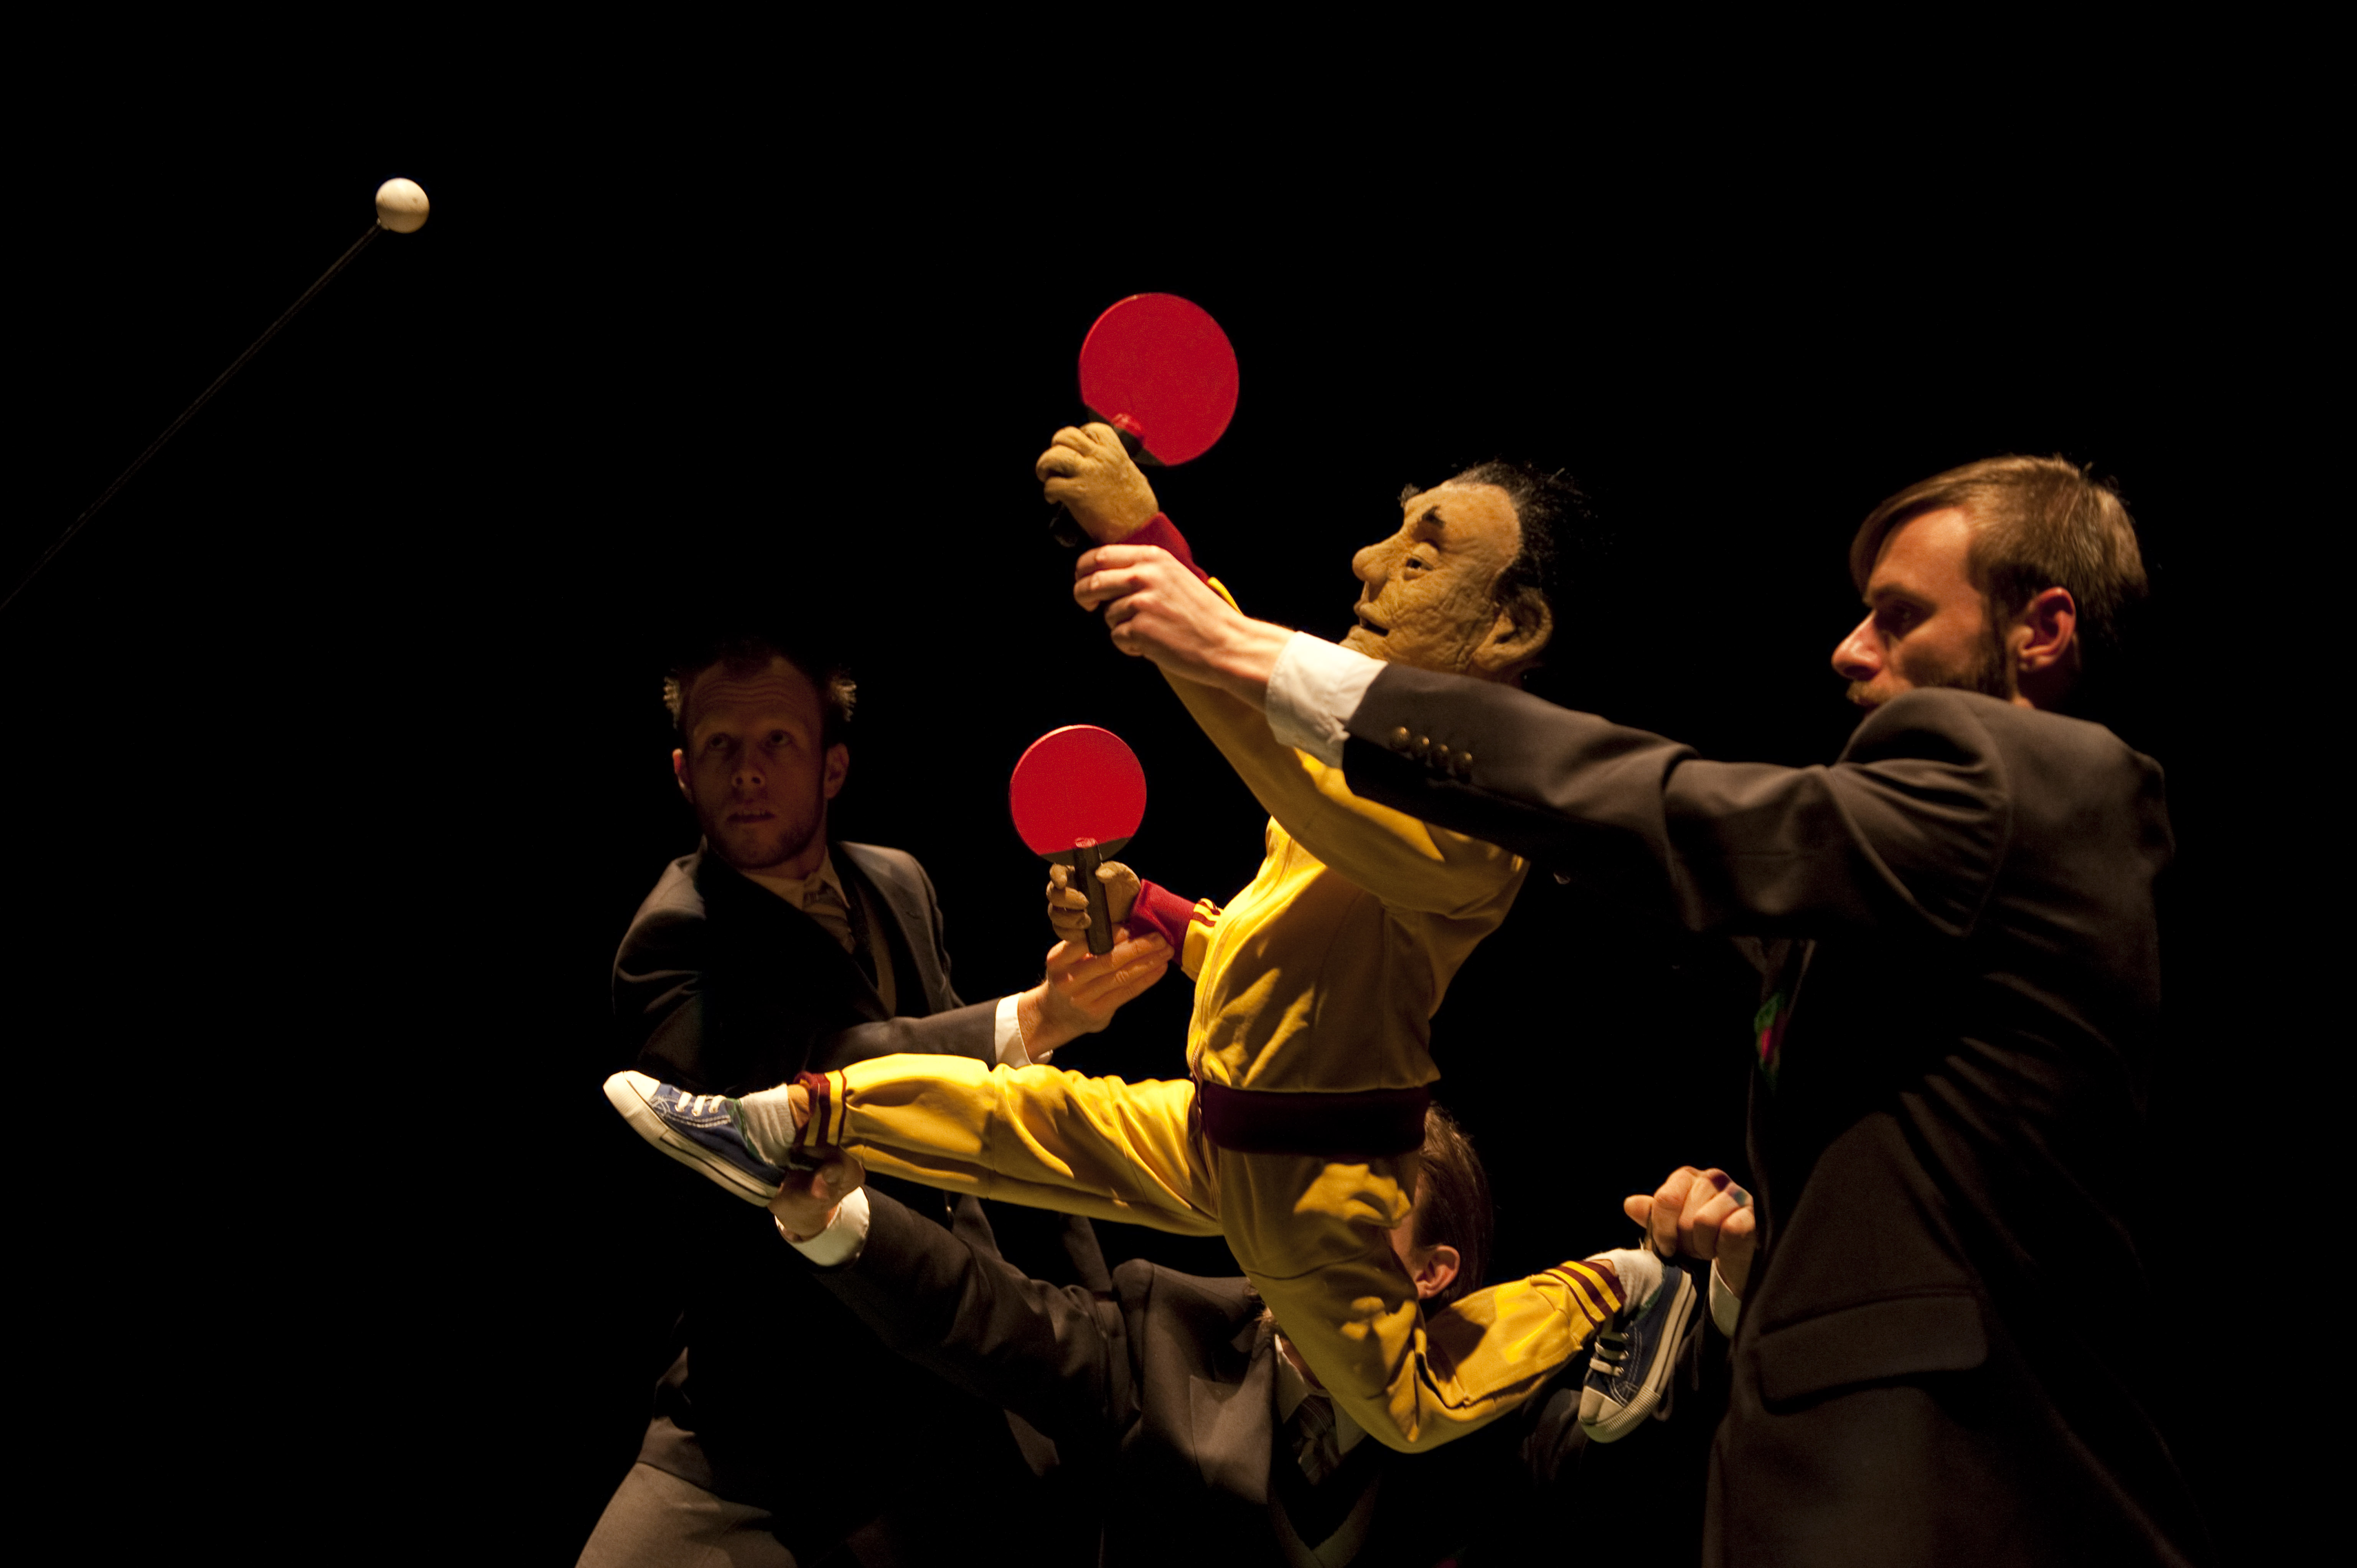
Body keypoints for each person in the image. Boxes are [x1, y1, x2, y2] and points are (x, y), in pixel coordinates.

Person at [1075, 455, 2209, 1565]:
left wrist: (1245, 649)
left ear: (2042, 630)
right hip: (1852, 1465)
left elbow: (1676, 816)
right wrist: (1750, 1263)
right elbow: (1673, 865)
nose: (1850, 649)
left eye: (1901, 616)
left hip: (1954, 1490)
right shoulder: (1922, 904)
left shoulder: (2039, 783)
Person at [610, 427, 1693, 1460]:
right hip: (1221, 1123)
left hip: (1315, 1176)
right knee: (1010, 1118)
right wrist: (1159, 915)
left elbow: (1281, 737)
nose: (1369, 561)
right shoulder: (1370, 771)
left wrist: (1150, 548)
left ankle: (1622, 1285)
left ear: (1510, 629)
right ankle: (781, 1120)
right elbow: (1279, 947)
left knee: (1410, 1405)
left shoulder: (1478, 818)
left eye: (1424, 552)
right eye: (1394, 531)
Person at [582, 631, 1169, 1568]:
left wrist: (1089, 1315)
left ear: (833, 766)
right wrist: (1031, 1016)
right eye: (720, 746)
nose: (747, 771)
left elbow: (996, 1111)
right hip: (783, 1412)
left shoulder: (899, 881)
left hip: (961, 1371)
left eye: (777, 741)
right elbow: (812, 1079)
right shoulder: (669, 940)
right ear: (683, 772)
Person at [765, 1106, 1638, 1566]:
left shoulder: (1491, 1397)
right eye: (1295, 1204)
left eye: (1353, 1220)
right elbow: (977, 1311)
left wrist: (1696, 1287)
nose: (1296, 1235)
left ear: (1431, 1272)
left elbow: (1638, 1455)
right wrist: (835, 1223)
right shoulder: (1163, 1330)